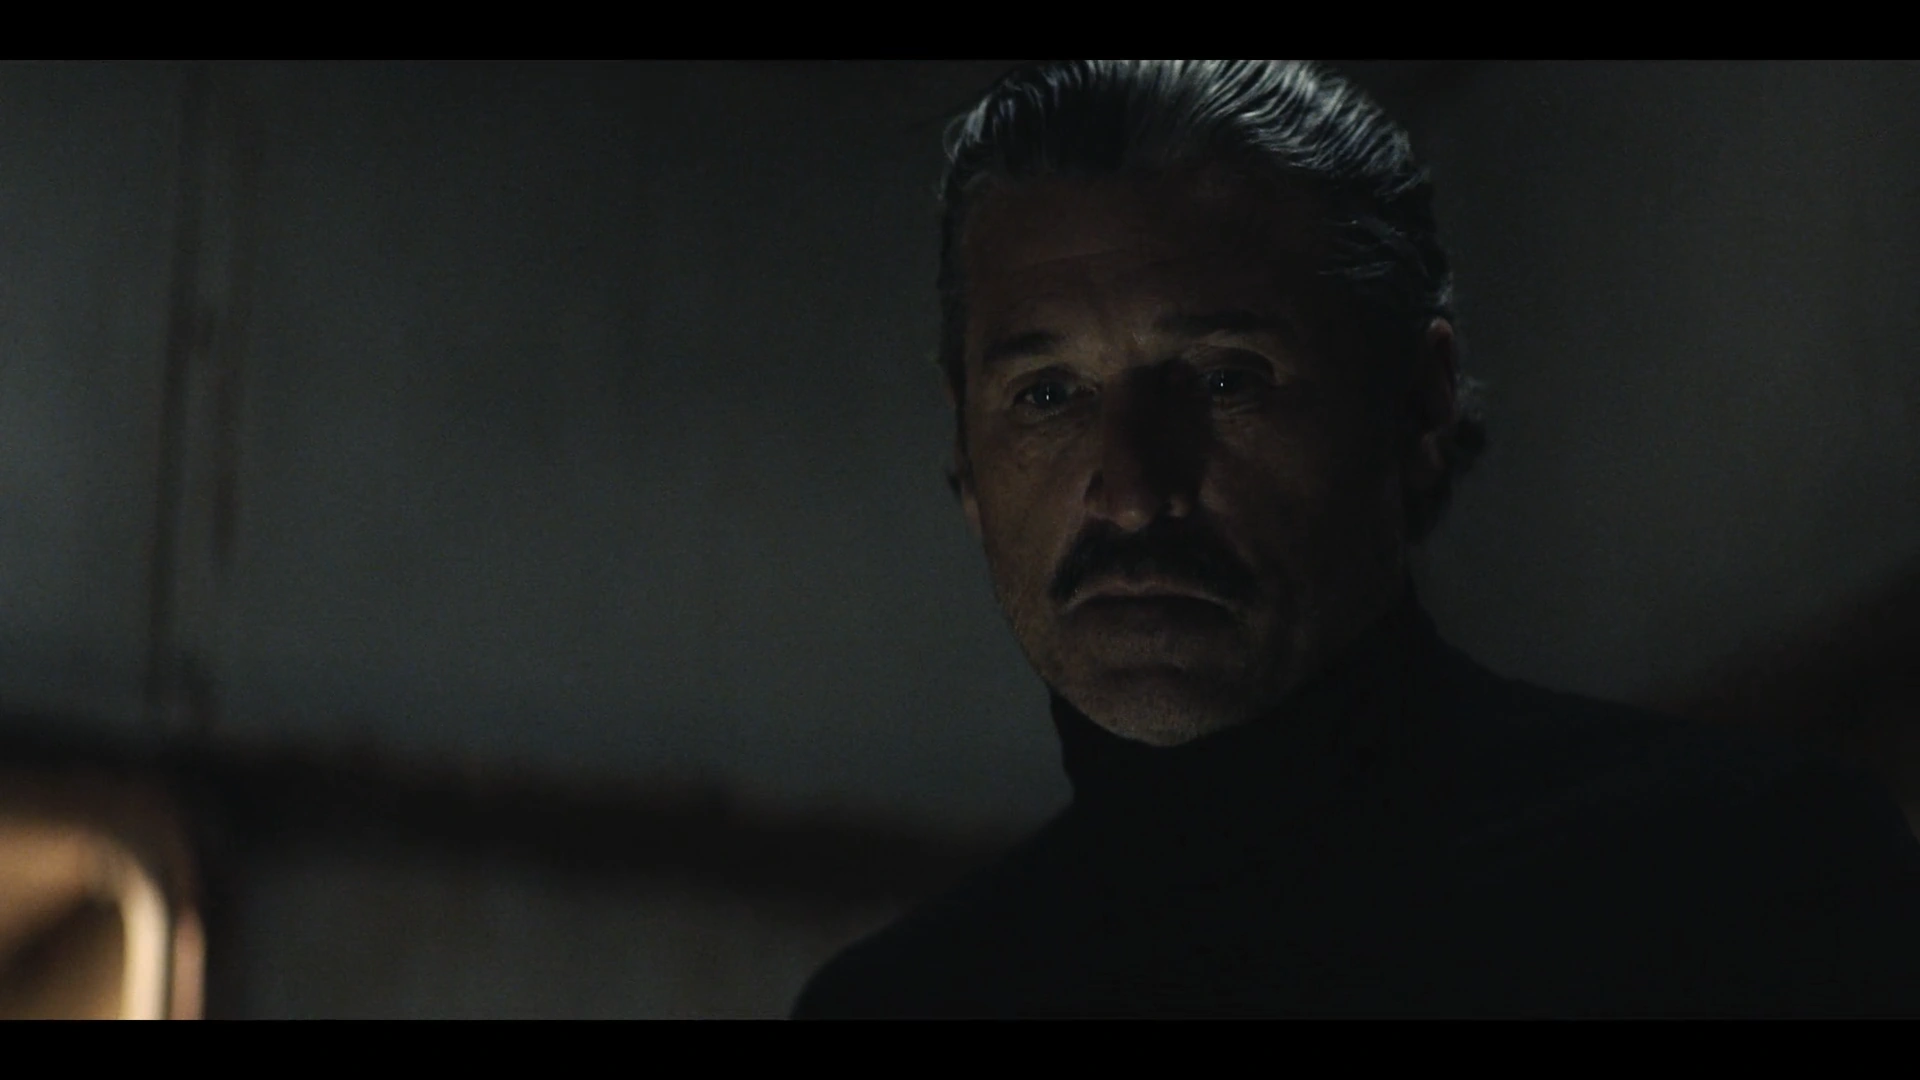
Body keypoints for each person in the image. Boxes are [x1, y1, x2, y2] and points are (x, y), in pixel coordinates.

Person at [791, 60, 1920, 1018]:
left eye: (1226, 378)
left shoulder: (1747, 876)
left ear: (1418, 406)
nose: (1131, 493)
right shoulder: (901, 1005)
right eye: (1046, 395)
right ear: (965, 459)